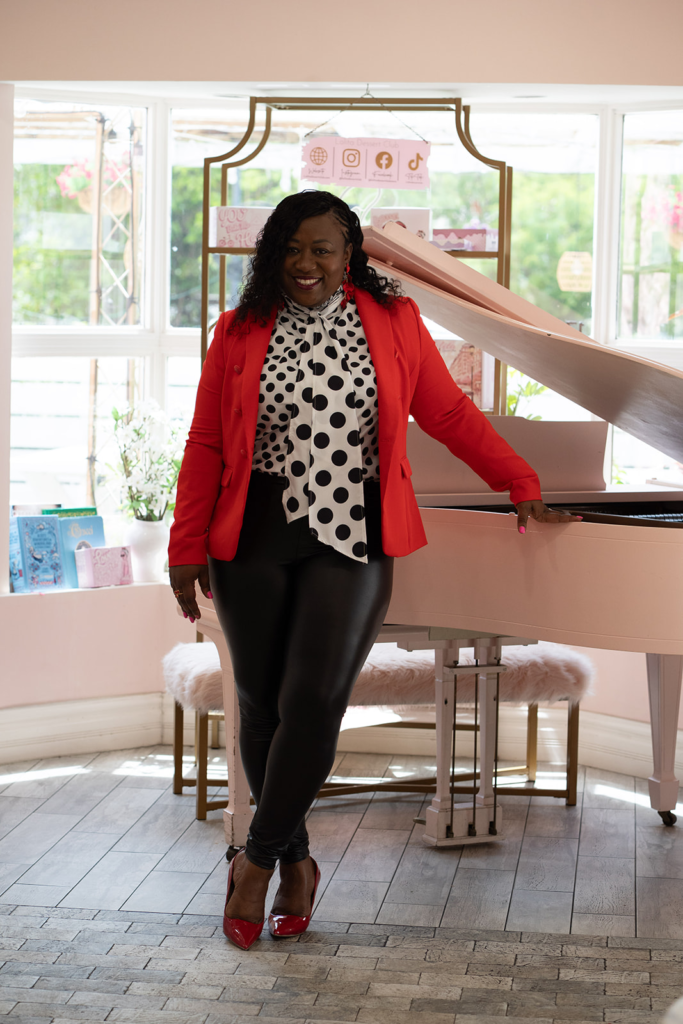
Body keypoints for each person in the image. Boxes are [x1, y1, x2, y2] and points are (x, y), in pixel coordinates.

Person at [168, 190, 579, 950]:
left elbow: (448, 414)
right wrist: (183, 545)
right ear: (271, 255)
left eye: (321, 249)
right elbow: (204, 444)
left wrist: (520, 482)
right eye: (291, 249)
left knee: (317, 701)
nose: (305, 263)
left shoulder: (390, 322)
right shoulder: (238, 330)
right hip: (252, 532)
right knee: (260, 706)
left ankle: (254, 863)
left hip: (354, 532)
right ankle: (297, 862)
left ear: (348, 253)